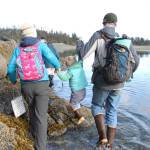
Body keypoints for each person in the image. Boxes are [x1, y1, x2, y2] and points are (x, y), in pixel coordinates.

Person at [76, 13, 140, 149]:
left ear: (103, 22)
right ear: (115, 24)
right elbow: (137, 61)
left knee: (97, 106)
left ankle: (103, 138)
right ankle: (110, 145)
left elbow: (83, 55)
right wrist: (126, 75)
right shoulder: (124, 40)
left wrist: (79, 44)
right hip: (119, 84)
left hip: (102, 81)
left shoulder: (98, 35)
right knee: (112, 110)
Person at [7, 23, 61, 150]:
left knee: (31, 109)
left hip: (26, 85)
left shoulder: (17, 49)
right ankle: (40, 146)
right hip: (42, 84)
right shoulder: (40, 45)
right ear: (34, 34)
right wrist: (58, 67)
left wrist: (14, 80)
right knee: (41, 116)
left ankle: (32, 133)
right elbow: (52, 58)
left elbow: (10, 69)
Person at [57, 55, 88, 125]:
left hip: (76, 92)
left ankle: (79, 117)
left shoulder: (71, 71)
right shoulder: (80, 66)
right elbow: (81, 59)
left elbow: (64, 78)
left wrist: (58, 72)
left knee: (72, 104)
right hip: (83, 90)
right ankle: (78, 112)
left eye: (66, 63)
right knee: (77, 102)